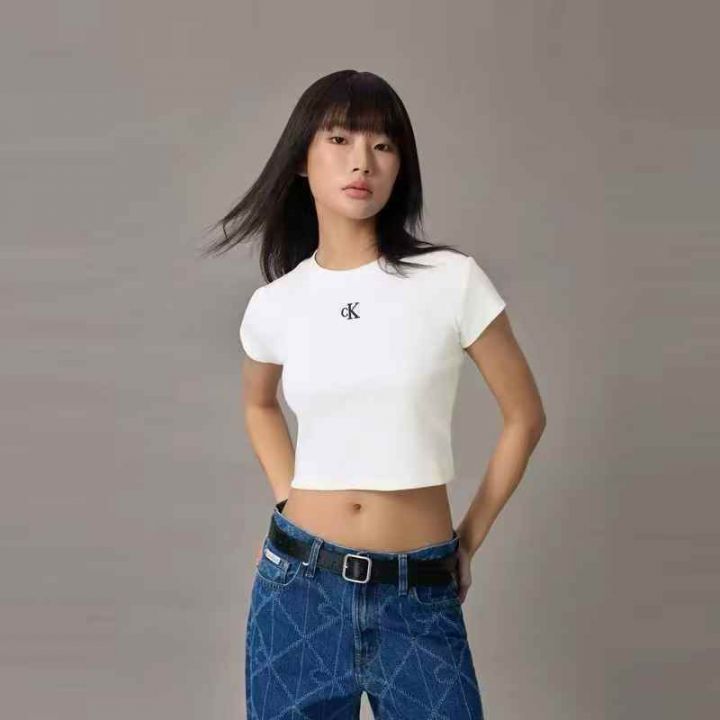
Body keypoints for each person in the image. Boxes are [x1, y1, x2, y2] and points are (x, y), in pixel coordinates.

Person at [204, 70, 546, 719]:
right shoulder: (277, 304)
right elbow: (257, 404)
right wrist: (288, 496)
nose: (362, 160)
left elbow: (525, 416)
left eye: (383, 145)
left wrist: (468, 540)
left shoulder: (451, 281)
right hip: (298, 591)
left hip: (419, 592)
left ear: (400, 167)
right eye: (339, 139)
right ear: (301, 159)